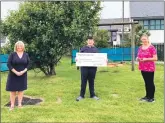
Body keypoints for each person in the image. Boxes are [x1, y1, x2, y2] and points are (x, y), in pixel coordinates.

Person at [6, 41, 30, 110]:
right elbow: (8, 64)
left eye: (21, 46)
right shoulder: (12, 54)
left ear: (23, 47)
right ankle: (12, 105)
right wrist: (16, 72)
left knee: (21, 90)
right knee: (12, 90)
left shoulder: (26, 55)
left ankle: (19, 104)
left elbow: (29, 64)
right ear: (16, 47)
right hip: (13, 75)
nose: (19, 47)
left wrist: (24, 71)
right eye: (18, 46)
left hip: (23, 75)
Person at [76, 36, 99, 101]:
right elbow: (79, 57)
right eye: (89, 40)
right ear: (87, 41)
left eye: (91, 40)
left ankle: (93, 95)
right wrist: (77, 59)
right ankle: (81, 95)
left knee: (91, 81)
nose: (90, 41)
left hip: (93, 68)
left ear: (93, 42)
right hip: (84, 68)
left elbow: (99, 58)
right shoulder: (83, 49)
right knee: (83, 81)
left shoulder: (96, 49)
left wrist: (104, 60)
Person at [136, 34, 157, 103]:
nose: (144, 40)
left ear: (147, 39)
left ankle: (152, 98)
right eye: (142, 39)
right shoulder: (140, 47)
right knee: (146, 82)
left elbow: (155, 58)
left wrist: (146, 59)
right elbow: (138, 56)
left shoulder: (152, 47)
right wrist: (138, 58)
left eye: (145, 39)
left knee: (150, 82)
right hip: (142, 67)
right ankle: (147, 96)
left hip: (150, 68)